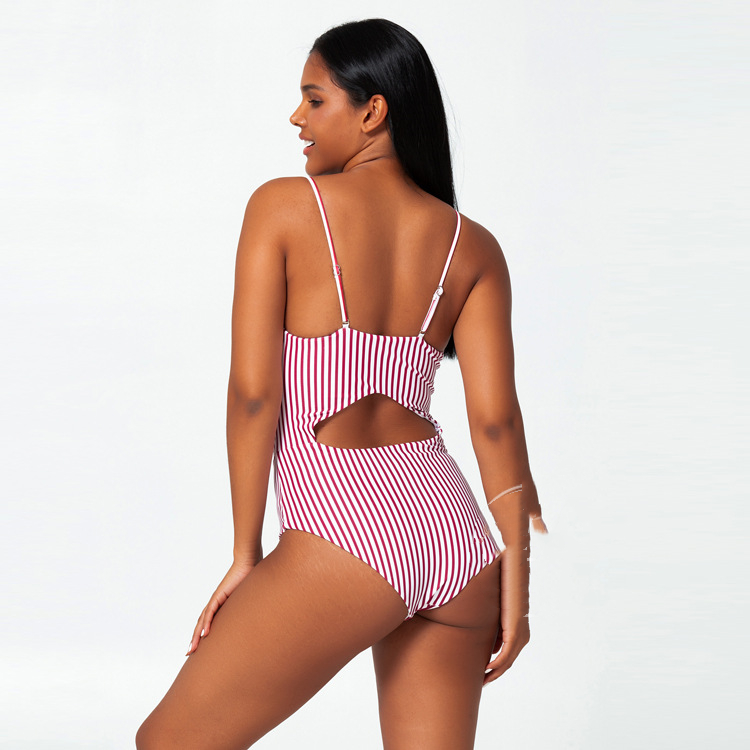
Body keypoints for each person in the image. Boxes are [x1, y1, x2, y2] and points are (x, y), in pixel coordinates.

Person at [136, 17, 548, 750]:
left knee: (168, 744)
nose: (297, 117)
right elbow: (497, 425)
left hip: (344, 534)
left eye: (314, 99)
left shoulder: (284, 206)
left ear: (372, 110)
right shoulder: (474, 246)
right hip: (459, 542)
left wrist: (245, 553)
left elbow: (254, 395)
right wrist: (516, 575)